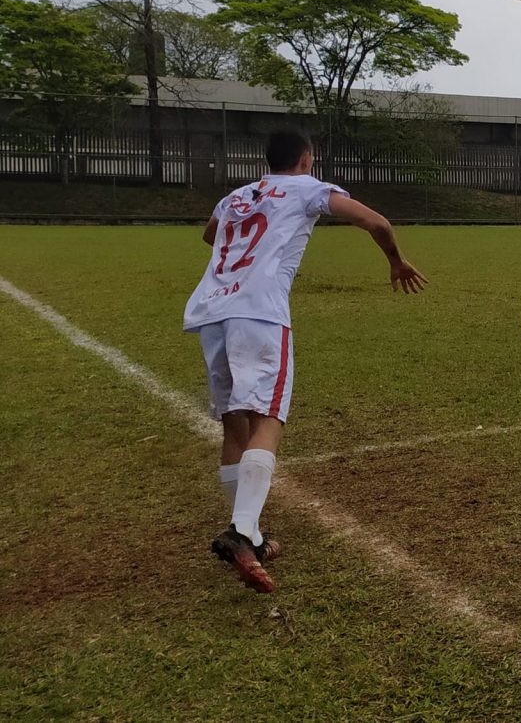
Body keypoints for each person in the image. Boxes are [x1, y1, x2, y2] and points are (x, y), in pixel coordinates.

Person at [183, 128, 427, 593]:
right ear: (307, 159)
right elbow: (376, 222)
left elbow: (210, 235)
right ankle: (241, 533)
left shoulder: (235, 196)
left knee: (235, 421)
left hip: (213, 309)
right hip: (259, 312)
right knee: (269, 417)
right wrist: (395, 260)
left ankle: (249, 531)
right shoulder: (308, 188)